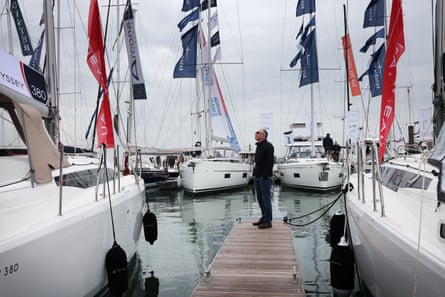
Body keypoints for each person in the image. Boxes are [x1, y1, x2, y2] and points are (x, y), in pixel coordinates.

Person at [252, 128, 274, 229]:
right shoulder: (258, 146)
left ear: (264, 135)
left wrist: (264, 176)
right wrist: (255, 175)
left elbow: (270, 162)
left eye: (258, 133)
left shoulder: (268, 146)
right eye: (255, 133)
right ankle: (264, 217)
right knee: (260, 199)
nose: (256, 134)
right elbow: (257, 163)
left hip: (264, 177)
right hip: (257, 176)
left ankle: (268, 221)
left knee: (266, 199)